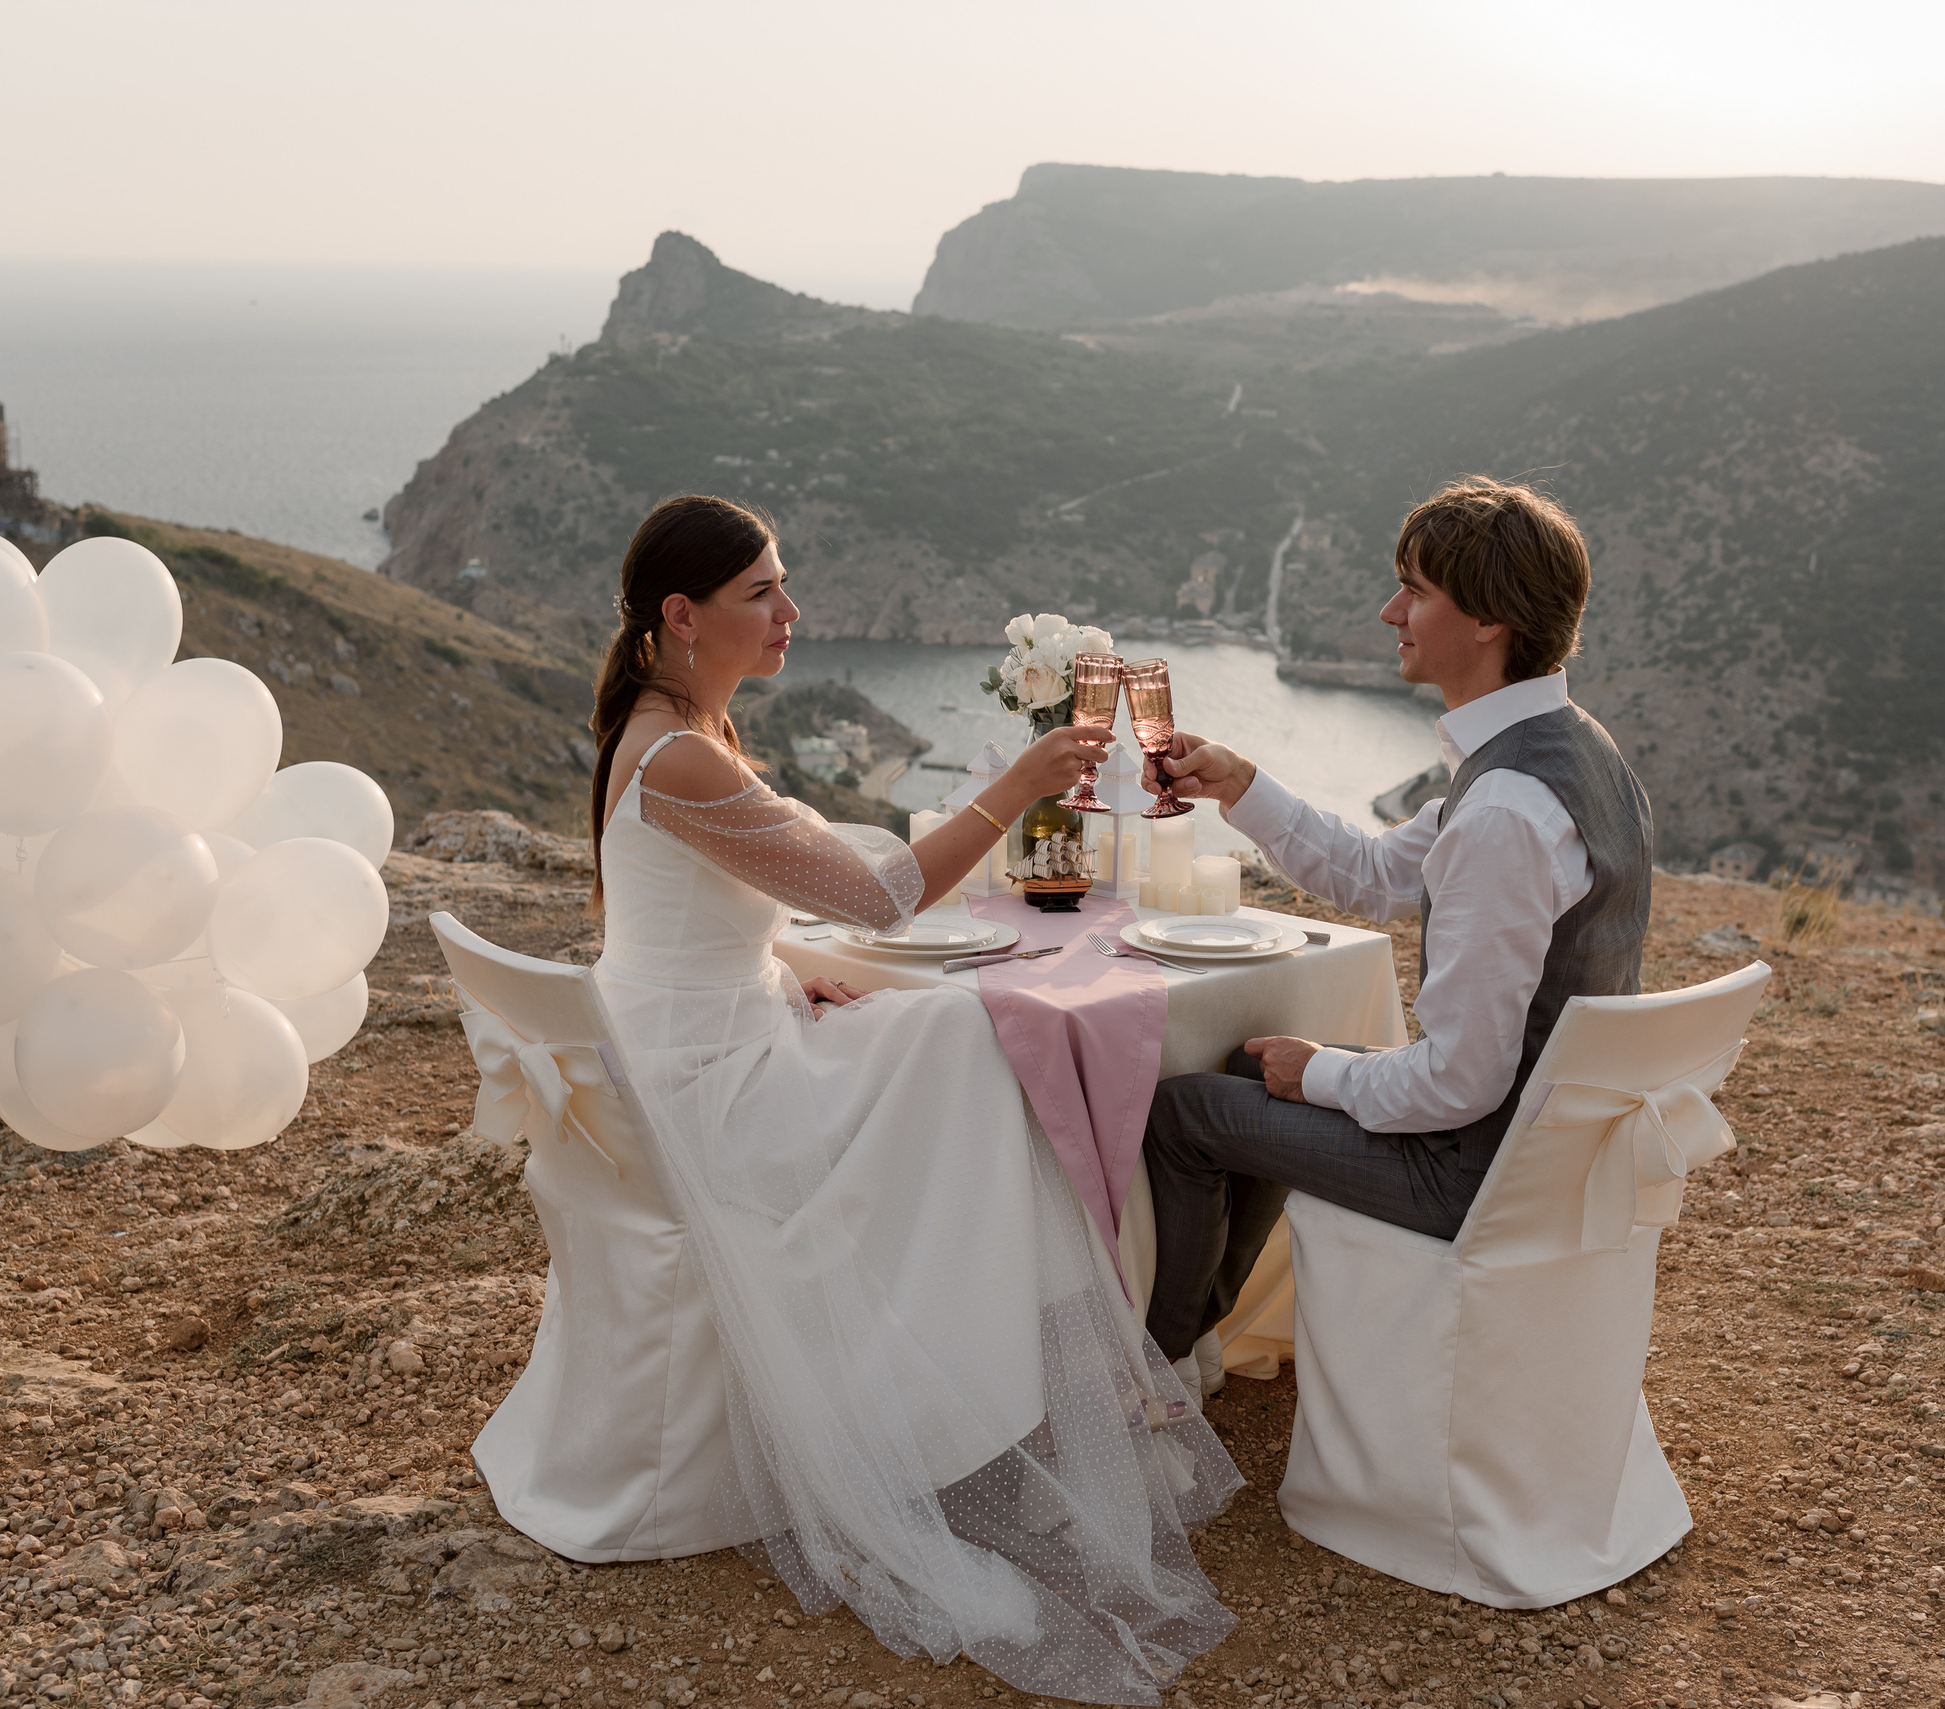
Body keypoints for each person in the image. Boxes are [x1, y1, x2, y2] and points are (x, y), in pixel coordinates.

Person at [584, 495, 1238, 1702]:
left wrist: (781, 968)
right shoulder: (676, 752)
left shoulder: (675, 726)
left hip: (716, 1036)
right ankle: (967, 1408)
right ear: (682, 615)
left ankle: (996, 1385)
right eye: (762, 592)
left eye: (784, 584)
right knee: (971, 1038)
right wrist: (1022, 781)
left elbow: (674, 918)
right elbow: (879, 899)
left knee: (947, 1030)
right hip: (717, 1090)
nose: (791, 610)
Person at [1137, 477, 1653, 1394]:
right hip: (1544, 1143)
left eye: (1415, 590)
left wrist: (1319, 1074)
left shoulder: (1504, 810)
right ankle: (1195, 1341)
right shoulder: (1572, 749)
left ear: (1489, 619)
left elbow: (1460, 1081)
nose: (1390, 612)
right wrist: (1240, 784)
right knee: (1247, 1070)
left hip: (1477, 1171)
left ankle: (1154, 1371)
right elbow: (1377, 873)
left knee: (1183, 1114)